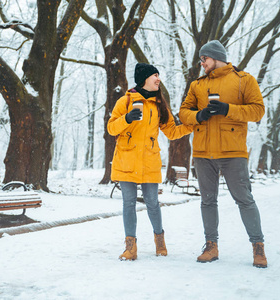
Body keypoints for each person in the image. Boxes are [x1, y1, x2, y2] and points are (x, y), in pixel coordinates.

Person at [178, 40, 268, 268]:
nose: (202, 64)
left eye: (204, 59)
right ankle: (211, 246)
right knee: (207, 201)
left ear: (215, 57)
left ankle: (258, 247)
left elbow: (258, 110)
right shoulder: (197, 85)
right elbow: (183, 112)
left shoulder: (243, 80)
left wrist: (228, 109)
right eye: (200, 60)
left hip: (233, 151)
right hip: (202, 152)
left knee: (244, 199)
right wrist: (199, 115)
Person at [108, 63, 193, 261]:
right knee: (128, 204)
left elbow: (172, 131)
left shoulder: (159, 104)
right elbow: (112, 128)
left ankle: (160, 241)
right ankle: (130, 247)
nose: (158, 79)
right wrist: (127, 118)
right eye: (155, 75)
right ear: (144, 78)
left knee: (153, 203)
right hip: (126, 159)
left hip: (149, 160)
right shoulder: (125, 101)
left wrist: (193, 125)